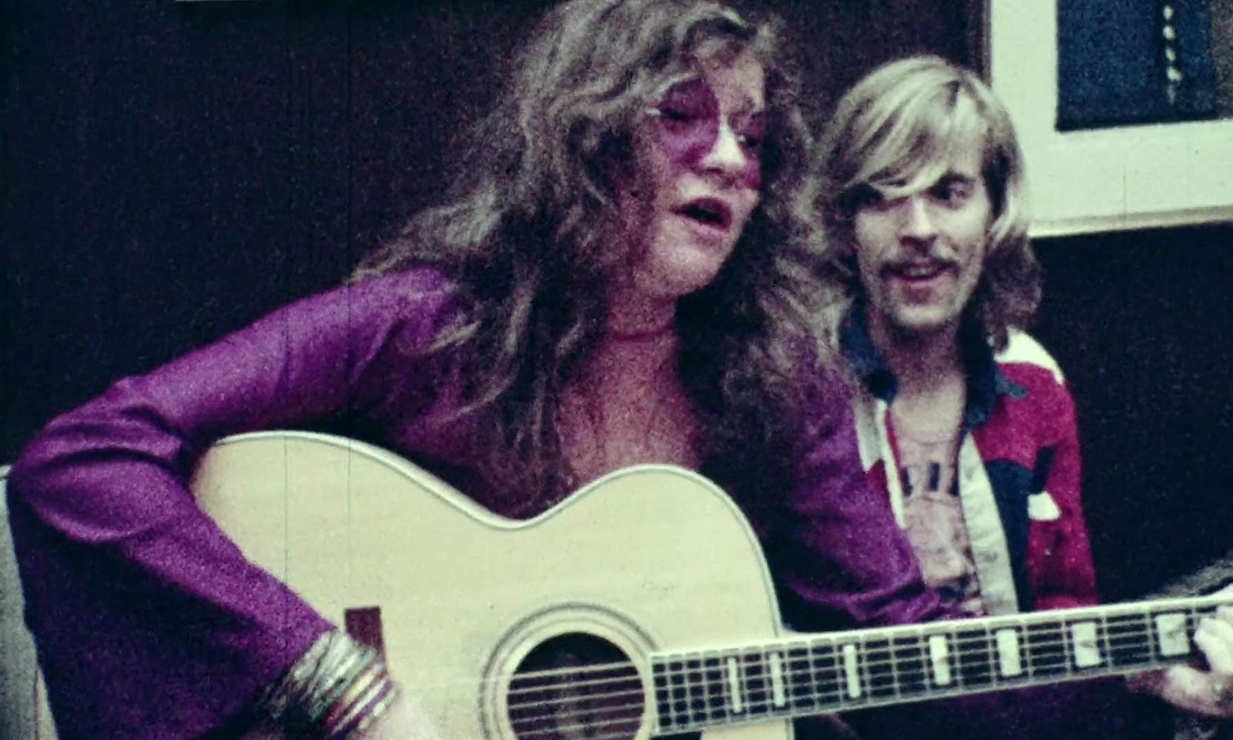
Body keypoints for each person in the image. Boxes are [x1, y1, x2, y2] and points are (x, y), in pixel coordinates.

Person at [4, 2, 964, 737]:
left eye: (752, 138)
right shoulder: (420, 328)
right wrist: (340, 687)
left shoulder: (780, 382)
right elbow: (83, 461)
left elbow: (900, 642)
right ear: (586, 138)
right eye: (683, 114)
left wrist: (1063, 672)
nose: (727, 158)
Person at [797, 55, 1233, 738]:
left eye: (950, 192)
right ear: (843, 221)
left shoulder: (1032, 382)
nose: (918, 227)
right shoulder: (796, 386)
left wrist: (1170, 683)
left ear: (994, 212)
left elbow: (1065, 619)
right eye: (884, 195)